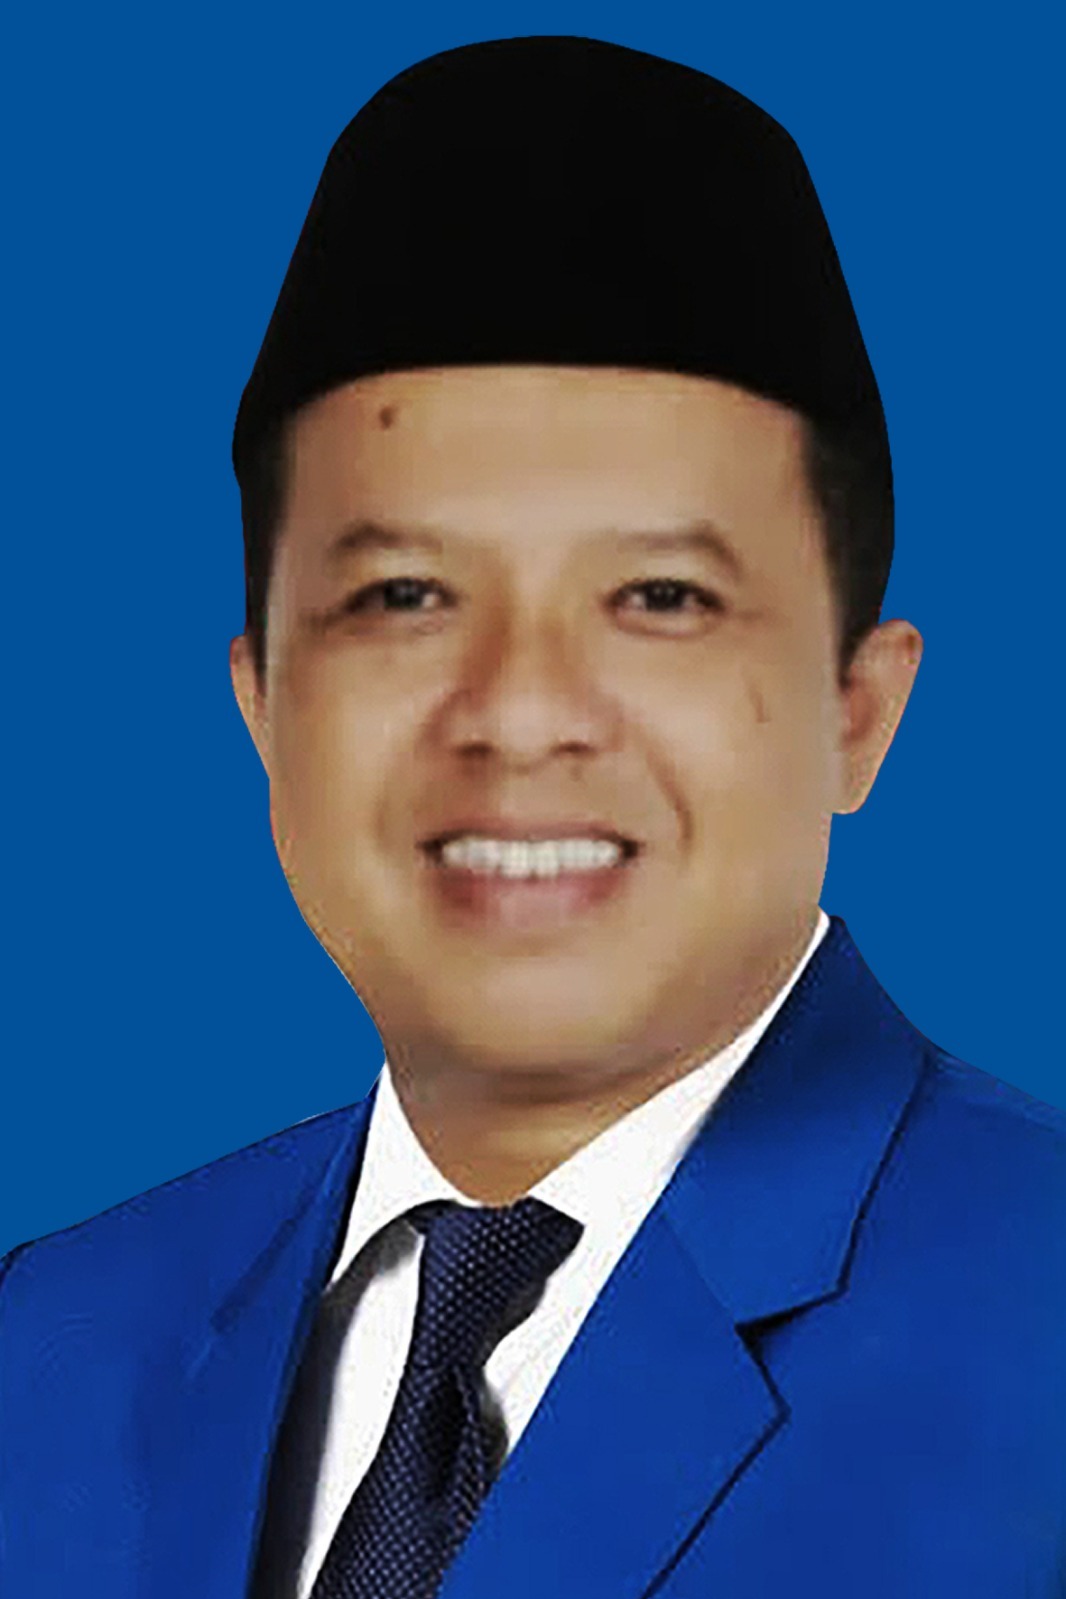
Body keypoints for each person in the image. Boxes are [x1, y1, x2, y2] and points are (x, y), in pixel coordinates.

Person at [1, 35, 1063, 1599]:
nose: (517, 708)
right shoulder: (49, 1340)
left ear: (858, 708)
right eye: (404, 595)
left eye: (659, 596)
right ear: (263, 702)